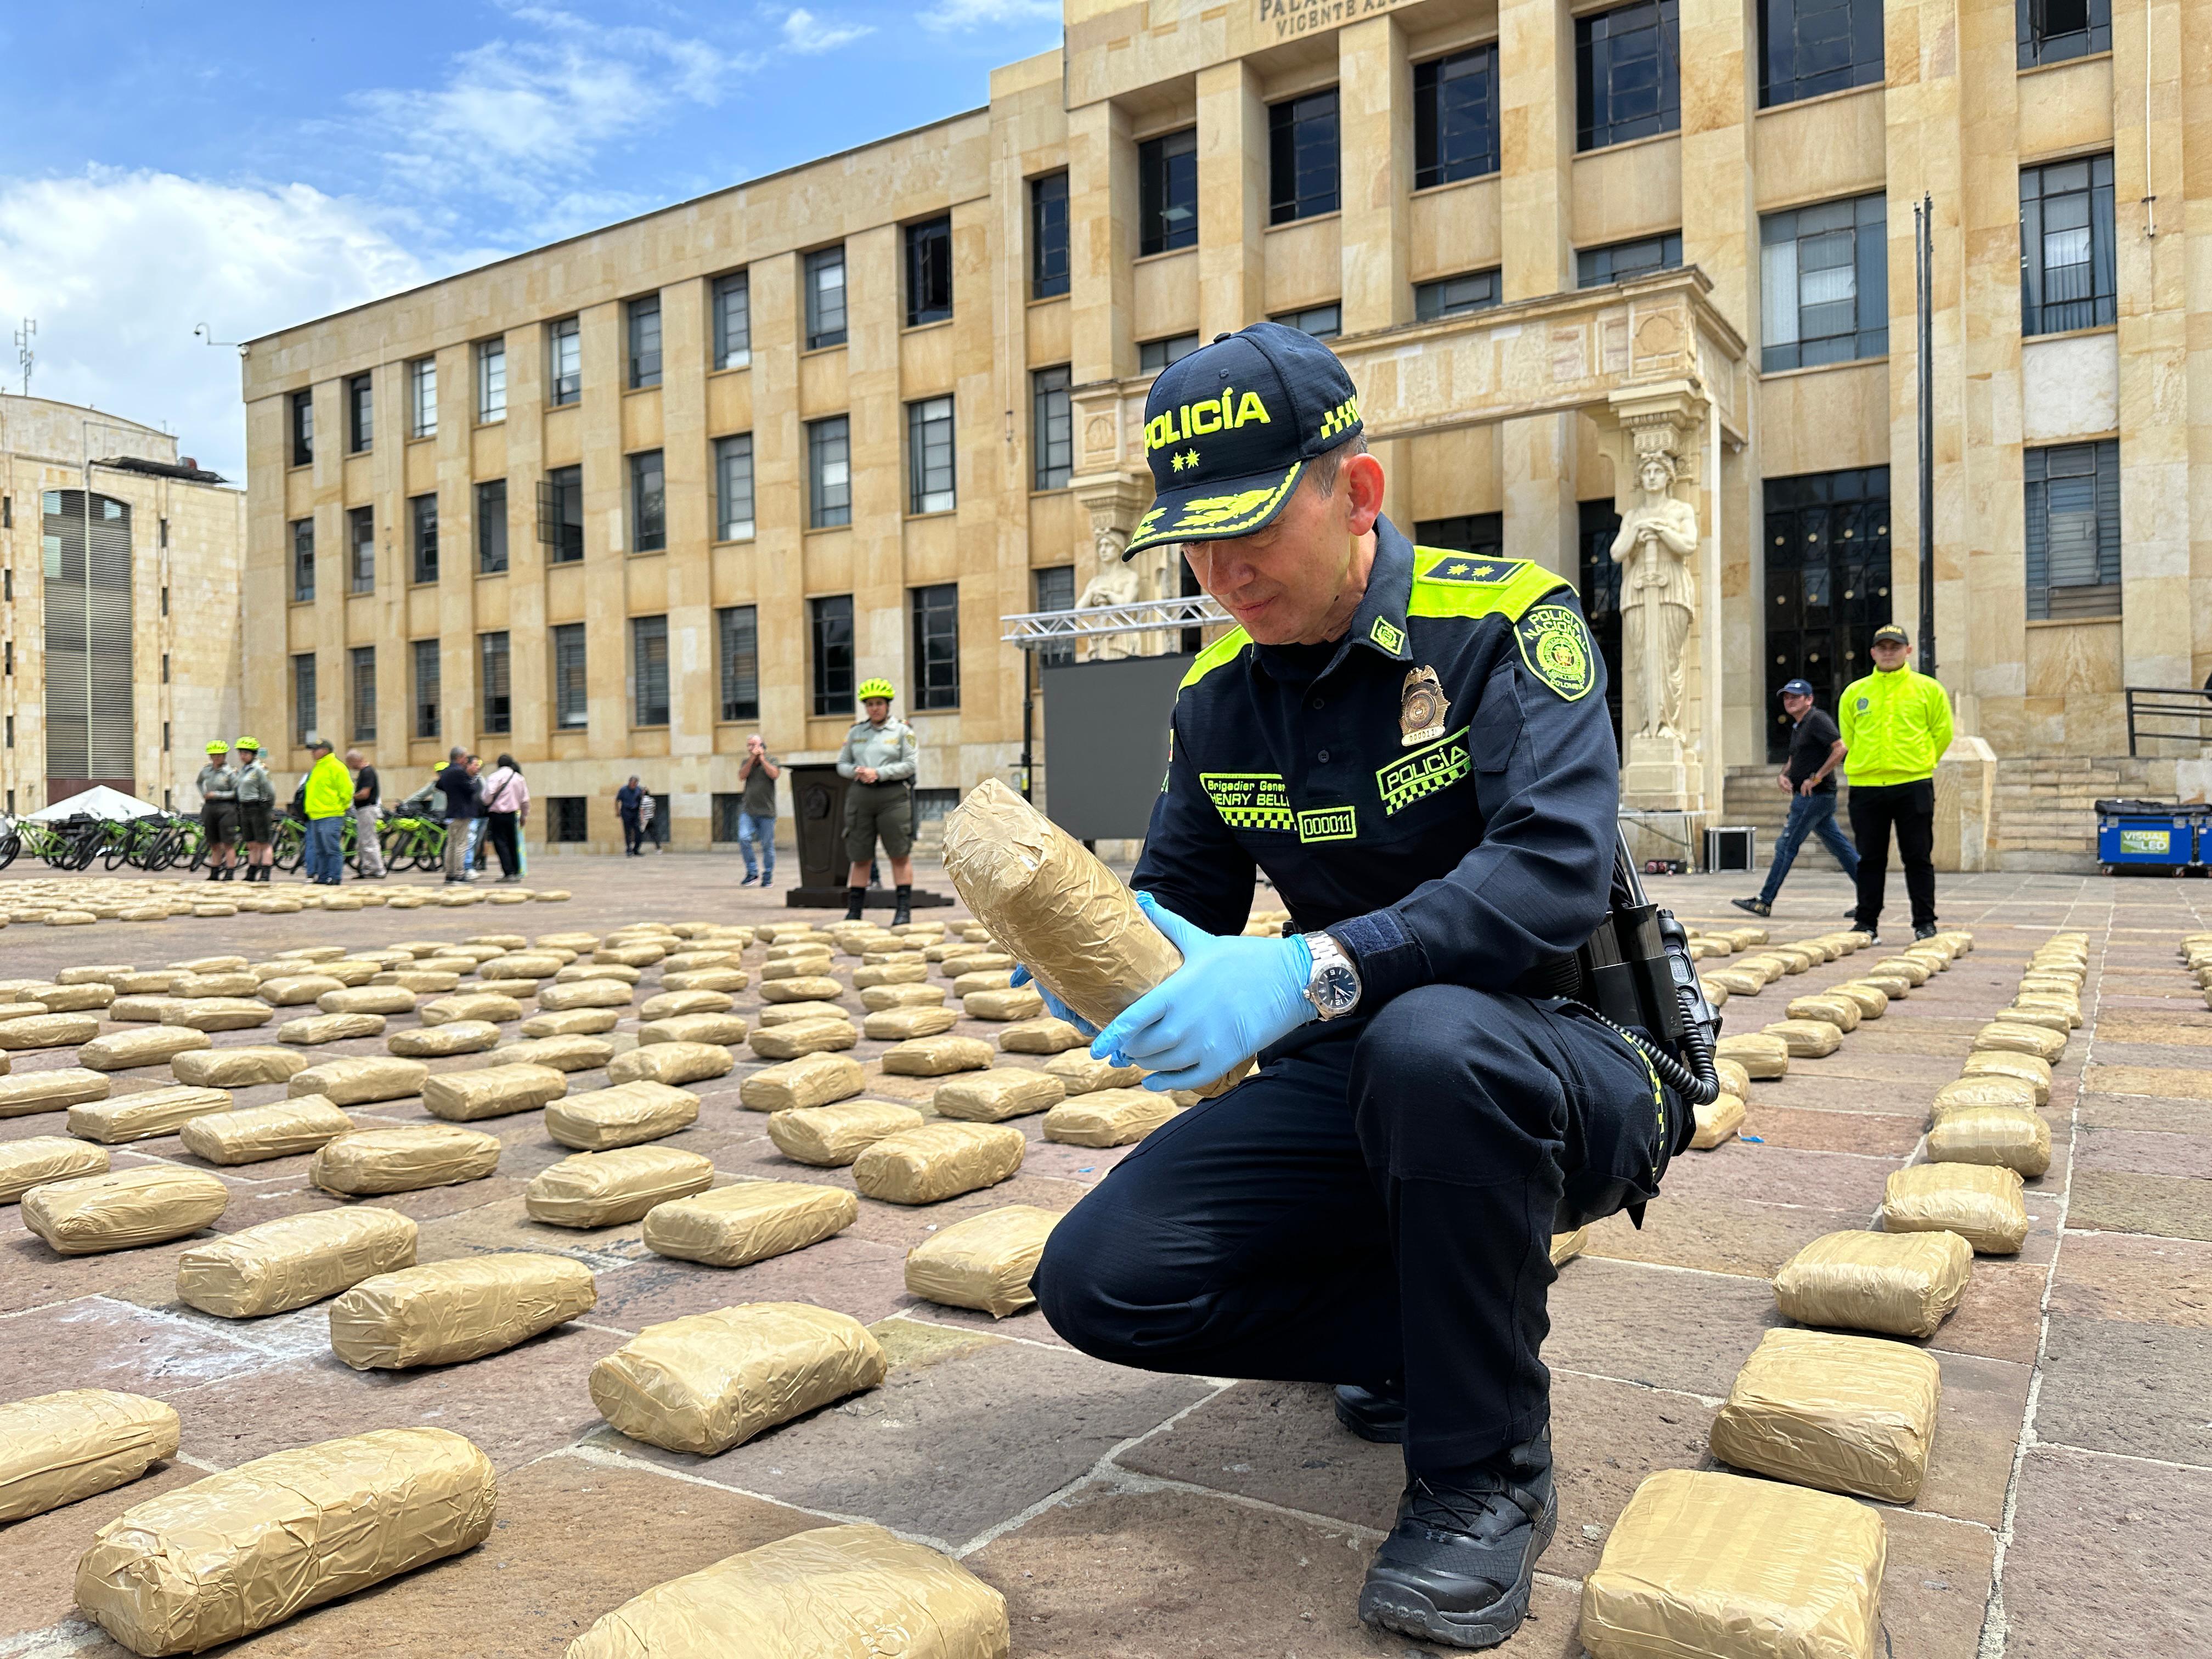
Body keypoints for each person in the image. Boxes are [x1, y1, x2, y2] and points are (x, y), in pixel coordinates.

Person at [1019, 323, 1670, 1651]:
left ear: (1357, 491)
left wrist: (1313, 965)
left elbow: (1548, 876)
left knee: (1433, 1044)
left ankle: (1482, 1474)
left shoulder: (1505, 624)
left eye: (1252, 525)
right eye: (1193, 540)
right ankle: (1440, 1328)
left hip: (1569, 1050)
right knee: (1103, 1280)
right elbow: (1184, 913)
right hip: (1358, 1068)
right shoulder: (1216, 702)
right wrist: (1102, 970)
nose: (1222, 569)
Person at [1838, 623, 1953, 944]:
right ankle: (1866, 923)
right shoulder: (1855, 692)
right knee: (1870, 859)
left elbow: (1942, 732)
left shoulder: (1928, 689)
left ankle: (1924, 923)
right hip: (1866, 786)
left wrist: (1923, 760)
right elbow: (1849, 735)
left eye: (1895, 647)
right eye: (1883, 648)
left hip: (1912, 783)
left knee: (1917, 856)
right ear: (1873, 653)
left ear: (1908, 651)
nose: (1889, 653)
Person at [1731, 679, 1858, 918]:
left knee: (1786, 846)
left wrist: (1817, 777)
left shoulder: (1817, 720)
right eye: (1787, 697)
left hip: (1814, 796)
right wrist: (1783, 775)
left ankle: (1764, 901)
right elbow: (1794, 758)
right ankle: (1871, 897)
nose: (1790, 701)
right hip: (1811, 796)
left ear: (1809, 699)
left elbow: (1840, 748)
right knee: (1840, 847)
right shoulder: (1799, 726)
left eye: (1796, 697)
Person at [837, 679, 917, 924]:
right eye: (870, 704)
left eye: (879, 704)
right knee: (860, 856)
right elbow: (841, 764)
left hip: (892, 797)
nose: (875, 708)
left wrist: (879, 773)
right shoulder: (856, 733)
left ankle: (903, 910)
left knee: (899, 853)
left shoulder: (903, 732)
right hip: (861, 796)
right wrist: (857, 772)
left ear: (887, 705)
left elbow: (910, 765)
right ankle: (854, 912)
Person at [301, 740, 353, 886]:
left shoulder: (336, 767)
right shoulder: (318, 767)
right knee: (320, 850)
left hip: (331, 815)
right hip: (315, 815)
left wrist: (339, 807)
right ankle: (323, 877)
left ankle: (335, 876)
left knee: (332, 849)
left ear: (325, 750)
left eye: (315, 750)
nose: (312, 753)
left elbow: (347, 791)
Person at [737, 735, 780, 887]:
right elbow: (742, 776)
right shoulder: (746, 762)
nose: (751, 748)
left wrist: (762, 759)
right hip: (748, 810)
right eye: (749, 745)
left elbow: (774, 774)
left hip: (767, 812)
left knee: (767, 845)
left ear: (762, 745)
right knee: (744, 838)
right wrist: (752, 760)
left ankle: (767, 876)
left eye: (754, 745)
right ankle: (752, 872)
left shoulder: (772, 760)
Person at [479, 753, 529, 882]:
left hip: (497, 814)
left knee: (501, 843)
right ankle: (516, 870)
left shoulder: (494, 777)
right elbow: (525, 800)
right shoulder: (519, 778)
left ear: (498, 764)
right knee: (513, 842)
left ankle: (509, 872)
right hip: (512, 814)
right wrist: (524, 815)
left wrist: (486, 803)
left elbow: (487, 796)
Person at [234, 738, 277, 883]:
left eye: (245, 753)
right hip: (245, 808)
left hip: (259, 808)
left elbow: (270, 791)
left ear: (253, 754)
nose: (242, 756)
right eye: (241, 753)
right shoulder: (243, 770)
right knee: (251, 843)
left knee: (263, 842)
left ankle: (265, 872)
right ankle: (252, 870)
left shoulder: (260, 769)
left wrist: (268, 808)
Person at [195, 741, 240, 881]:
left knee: (228, 842)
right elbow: (199, 782)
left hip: (226, 807)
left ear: (224, 756)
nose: (216, 758)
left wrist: (218, 795)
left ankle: (230, 871)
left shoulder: (230, 772)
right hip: (210, 807)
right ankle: (215, 871)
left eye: (219, 755)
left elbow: (237, 792)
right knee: (213, 842)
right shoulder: (206, 771)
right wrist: (204, 793)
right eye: (214, 755)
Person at [436, 748, 481, 883]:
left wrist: (452, 791)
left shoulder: (446, 771)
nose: (467, 760)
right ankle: (459, 874)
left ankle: (450, 873)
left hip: (451, 811)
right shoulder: (460, 772)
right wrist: (473, 778)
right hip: (462, 812)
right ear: (460, 757)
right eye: (465, 757)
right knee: (461, 844)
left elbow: (439, 785)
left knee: (451, 844)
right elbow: (472, 789)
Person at [347, 749, 385, 879]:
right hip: (364, 810)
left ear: (355, 760)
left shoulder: (367, 772)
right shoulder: (365, 772)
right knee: (364, 841)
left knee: (369, 840)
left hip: (367, 810)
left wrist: (350, 797)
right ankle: (368, 868)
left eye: (350, 763)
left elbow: (365, 793)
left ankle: (378, 869)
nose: (350, 766)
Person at [617, 776, 646, 856]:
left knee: (638, 832)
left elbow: (641, 802)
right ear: (630, 783)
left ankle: (636, 849)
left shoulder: (639, 790)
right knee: (628, 832)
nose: (634, 785)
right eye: (633, 784)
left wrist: (642, 814)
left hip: (635, 812)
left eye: (635, 784)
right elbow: (617, 800)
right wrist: (618, 811)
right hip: (626, 812)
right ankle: (629, 850)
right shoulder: (623, 790)